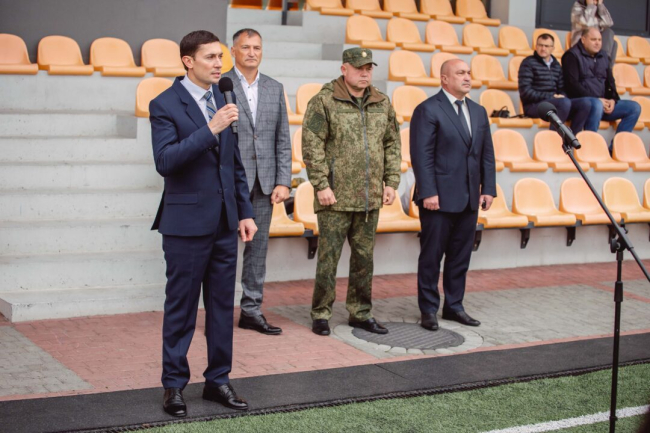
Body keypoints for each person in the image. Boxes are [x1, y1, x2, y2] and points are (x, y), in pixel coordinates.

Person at [149, 30, 257, 417]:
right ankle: (174, 385)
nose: (218, 64)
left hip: (225, 224)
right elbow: (166, 161)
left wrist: (244, 211)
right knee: (181, 309)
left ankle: (218, 380)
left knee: (221, 309)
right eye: (210, 57)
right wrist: (210, 129)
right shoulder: (164, 104)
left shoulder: (222, 98)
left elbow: (233, 164)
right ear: (188, 61)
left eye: (220, 57)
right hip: (185, 225)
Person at [301, 48, 401, 337]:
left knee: (363, 260)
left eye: (369, 68)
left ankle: (360, 312)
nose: (365, 73)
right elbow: (311, 144)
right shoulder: (324, 100)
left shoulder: (382, 102)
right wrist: (321, 185)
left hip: (369, 197)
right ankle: (321, 313)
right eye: (359, 68)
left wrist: (391, 182)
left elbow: (392, 143)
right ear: (344, 69)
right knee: (328, 260)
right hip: (334, 197)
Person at [410, 59, 496, 332]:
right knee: (431, 257)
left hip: (469, 197)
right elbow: (421, 155)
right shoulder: (427, 109)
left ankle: (454, 306)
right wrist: (428, 192)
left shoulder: (478, 111)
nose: (467, 77)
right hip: (437, 199)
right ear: (444, 79)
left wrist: (488, 188)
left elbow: (487, 153)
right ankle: (428, 309)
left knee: (460, 257)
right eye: (460, 73)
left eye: (469, 72)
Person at [222, 28, 291, 336]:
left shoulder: (275, 88)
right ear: (232, 50)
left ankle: (251, 310)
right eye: (246, 47)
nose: (252, 52)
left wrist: (283, 181)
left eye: (257, 48)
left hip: (264, 184)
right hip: (227, 183)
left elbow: (282, 139)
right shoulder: (220, 84)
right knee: (223, 250)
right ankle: (219, 313)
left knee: (257, 251)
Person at [562, 27, 641, 143]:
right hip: (584, 105)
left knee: (634, 108)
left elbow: (610, 82)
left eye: (599, 40)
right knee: (597, 104)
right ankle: (590, 144)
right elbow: (572, 85)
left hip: (602, 104)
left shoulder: (603, 56)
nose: (597, 43)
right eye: (593, 39)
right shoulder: (571, 55)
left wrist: (613, 100)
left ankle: (615, 148)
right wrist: (597, 99)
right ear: (583, 39)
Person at [519, 33, 598, 133]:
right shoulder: (528, 63)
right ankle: (553, 137)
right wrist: (551, 96)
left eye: (547, 46)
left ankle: (572, 138)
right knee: (564, 103)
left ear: (553, 48)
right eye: (540, 45)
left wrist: (561, 96)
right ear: (536, 46)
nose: (543, 48)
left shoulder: (556, 65)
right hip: (534, 106)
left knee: (585, 103)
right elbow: (525, 92)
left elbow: (562, 89)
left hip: (555, 103)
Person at [570, 0, 616, 65]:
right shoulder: (577, 7)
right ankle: (604, 61)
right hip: (582, 43)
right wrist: (590, 5)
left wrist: (600, 5)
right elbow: (587, 23)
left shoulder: (597, 8)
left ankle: (605, 62)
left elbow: (608, 23)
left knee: (610, 33)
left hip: (594, 44)